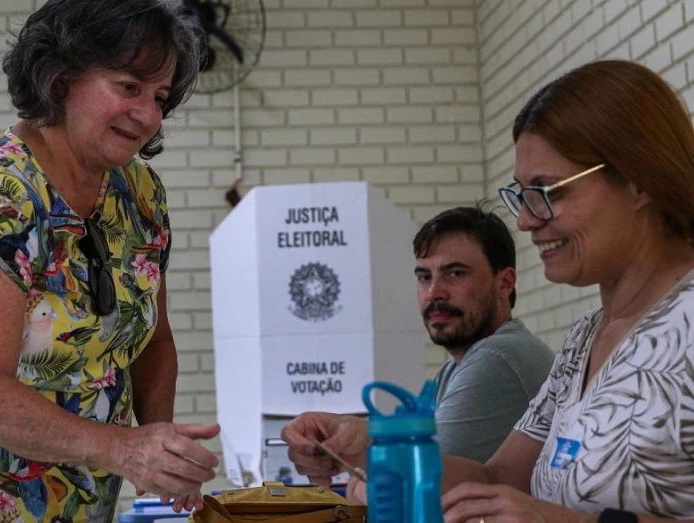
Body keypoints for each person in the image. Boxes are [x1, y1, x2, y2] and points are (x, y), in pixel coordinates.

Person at [283, 59, 694, 522]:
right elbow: (497, 479)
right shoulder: (585, 339)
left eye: (548, 191)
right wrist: (370, 450)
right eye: (520, 195)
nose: (525, 220)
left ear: (639, 178)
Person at [0, 1, 220, 522]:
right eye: (129, 87)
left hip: (81, 496)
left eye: (159, 96)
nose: (149, 115)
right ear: (60, 77)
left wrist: (161, 451)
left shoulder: (140, 194)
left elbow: (154, 339)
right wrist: (124, 450)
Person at [413, 206, 554, 463]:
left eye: (455, 273)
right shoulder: (453, 369)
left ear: (505, 283)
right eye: (424, 276)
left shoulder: (498, 357)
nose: (434, 293)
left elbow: (415, 479)